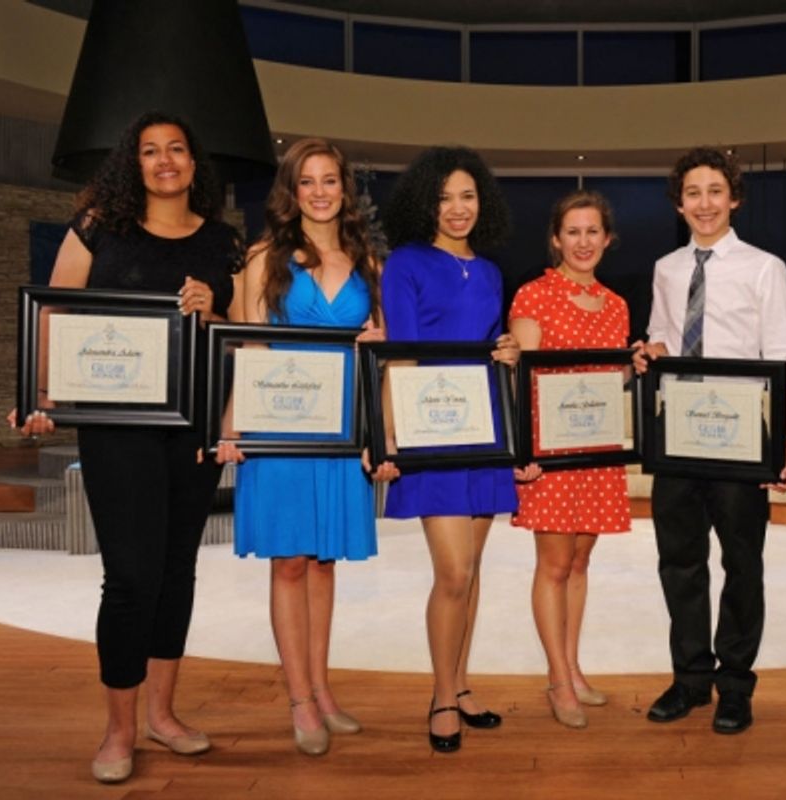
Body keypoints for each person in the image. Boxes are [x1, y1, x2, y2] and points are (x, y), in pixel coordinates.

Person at [10, 111, 240, 783]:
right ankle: (118, 731)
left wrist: (214, 311)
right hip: (116, 428)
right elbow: (53, 312)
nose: (165, 160)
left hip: (192, 427)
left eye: (177, 148)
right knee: (132, 576)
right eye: (150, 150)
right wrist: (41, 397)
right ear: (131, 162)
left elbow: (236, 333)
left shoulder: (223, 243)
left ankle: (163, 718)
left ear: (195, 163)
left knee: (176, 573)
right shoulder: (96, 229)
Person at [215, 138, 392, 756]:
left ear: (345, 189)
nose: (320, 192)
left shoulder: (368, 259)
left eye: (330, 181)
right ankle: (297, 698)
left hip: (341, 423)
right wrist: (233, 425)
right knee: (289, 560)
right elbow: (248, 347)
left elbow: (381, 347)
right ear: (292, 192)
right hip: (282, 421)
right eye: (307, 182)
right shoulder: (264, 257)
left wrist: (380, 418)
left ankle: (321, 689)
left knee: (323, 561)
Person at [635, 147, 786, 735]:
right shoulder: (666, 269)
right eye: (692, 193)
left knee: (742, 562)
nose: (703, 203)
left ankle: (735, 684)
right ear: (679, 204)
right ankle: (690, 680)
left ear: (734, 198)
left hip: (742, 439)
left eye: (714, 191)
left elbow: (784, 357)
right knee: (680, 562)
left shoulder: (765, 268)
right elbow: (661, 334)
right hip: (679, 434)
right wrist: (649, 350)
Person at [380, 145, 526, 753]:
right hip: (433, 426)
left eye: (467, 195)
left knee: (473, 572)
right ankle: (441, 695)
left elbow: (491, 342)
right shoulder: (406, 264)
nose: (457, 208)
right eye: (444, 197)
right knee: (454, 571)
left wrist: (508, 348)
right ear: (424, 203)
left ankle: (462, 685)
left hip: (486, 426)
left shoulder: (490, 271)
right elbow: (402, 355)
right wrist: (394, 438)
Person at [509, 190, 631, 729]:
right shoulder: (533, 297)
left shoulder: (617, 305)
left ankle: (573, 666)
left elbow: (607, 380)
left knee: (581, 563)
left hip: (597, 452)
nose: (583, 242)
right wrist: (523, 451)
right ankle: (558, 678)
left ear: (607, 239)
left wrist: (635, 369)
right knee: (554, 566)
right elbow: (520, 383)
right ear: (556, 239)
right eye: (573, 232)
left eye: (593, 232)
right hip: (552, 455)